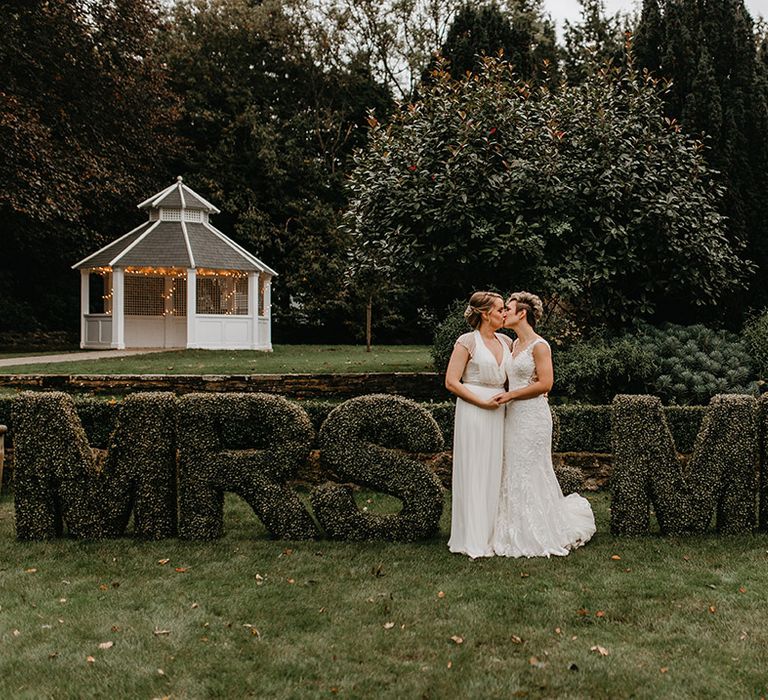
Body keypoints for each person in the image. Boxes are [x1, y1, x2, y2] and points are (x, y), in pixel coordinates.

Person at [491, 292, 595, 557]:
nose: (504, 313)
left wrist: (512, 395)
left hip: (533, 417)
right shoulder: (511, 345)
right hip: (512, 415)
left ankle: (538, 529)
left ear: (521, 313)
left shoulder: (540, 346)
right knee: (513, 467)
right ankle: (511, 527)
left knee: (531, 468)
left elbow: (546, 384)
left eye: (508, 309)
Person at [445, 291, 512, 558]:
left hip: (500, 411)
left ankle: (495, 532)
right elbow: (451, 382)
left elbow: (516, 377)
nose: (504, 313)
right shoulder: (467, 342)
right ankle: (471, 536)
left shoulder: (507, 341)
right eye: (499, 309)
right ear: (485, 314)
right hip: (474, 410)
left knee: (496, 469)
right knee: (475, 469)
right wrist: (481, 402)